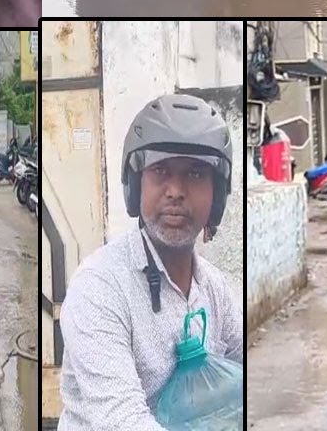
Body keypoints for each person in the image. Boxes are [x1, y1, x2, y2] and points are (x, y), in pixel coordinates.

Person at [58, 95, 242, 430]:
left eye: (196, 174)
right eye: (160, 170)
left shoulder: (216, 291)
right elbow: (121, 420)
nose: (176, 190)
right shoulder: (99, 287)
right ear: (134, 186)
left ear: (217, 196)